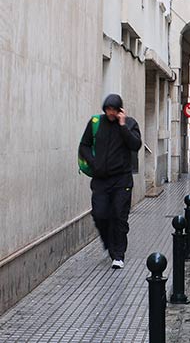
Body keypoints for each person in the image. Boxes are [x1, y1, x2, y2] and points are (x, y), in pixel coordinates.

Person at [78, 94, 142, 269]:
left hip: (122, 180)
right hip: (101, 180)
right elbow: (84, 145)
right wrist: (94, 163)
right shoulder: (95, 123)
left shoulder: (130, 124)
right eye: (108, 109)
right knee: (99, 214)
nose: (111, 113)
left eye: (114, 110)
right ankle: (108, 242)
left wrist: (122, 126)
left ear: (120, 109)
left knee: (119, 216)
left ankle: (118, 254)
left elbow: (135, 145)